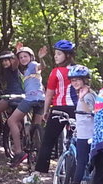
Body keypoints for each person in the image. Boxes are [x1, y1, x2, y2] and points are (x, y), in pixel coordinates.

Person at [33, 40, 77, 175]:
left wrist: (46, 111)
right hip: (76, 109)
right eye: (55, 54)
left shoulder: (56, 72)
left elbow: (49, 94)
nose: (55, 56)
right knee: (75, 140)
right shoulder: (79, 70)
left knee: (48, 140)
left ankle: (39, 172)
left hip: (59, 108)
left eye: (59, 54)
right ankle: (74, 172)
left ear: (67, 56)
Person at [6, 45, 46, 167]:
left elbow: (41, 66)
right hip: (41, 100)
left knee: (11, 121)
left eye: (25, 56)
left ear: (31, 57)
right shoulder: (26, 70)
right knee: (36, 126)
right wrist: (17, 52)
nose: (23, 59)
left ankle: (18, 152)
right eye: (21, 57)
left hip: (31, 99)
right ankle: (38, 154)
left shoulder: (33, 65)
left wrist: (41, 59)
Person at [62, 65, 96, 184]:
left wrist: (81, 99)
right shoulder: (86, 93)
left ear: (85, 80)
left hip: (87, 134)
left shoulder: (87, 95)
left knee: (81, 161)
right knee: (89, 162)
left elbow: (92, 112)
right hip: (85, 131)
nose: (74, 82)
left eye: (78, 80)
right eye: (72, 80)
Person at [0, 51, 23, 144]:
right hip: (20, 96)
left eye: (6, 60)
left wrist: (17, 54)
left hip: (11, 96)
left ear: (11, 60)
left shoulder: (13, 69)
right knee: (16, 119)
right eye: (3, 61)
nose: (4, 63)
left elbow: (16, 63)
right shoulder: (6, 71)